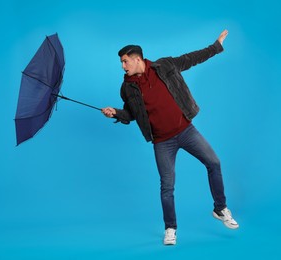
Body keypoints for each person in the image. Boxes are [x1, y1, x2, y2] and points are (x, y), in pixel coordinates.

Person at [102, 29, 239, 246]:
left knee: (214, 162)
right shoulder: (126, 88)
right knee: (167, 187)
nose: (123, 66)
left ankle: (220, 209)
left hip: (186, 131)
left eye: (125, 61)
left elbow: (191, 59)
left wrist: (216, 46)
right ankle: (170, 228)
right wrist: (116, 113)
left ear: (137, 59)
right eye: (121, 63)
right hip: (162, 141)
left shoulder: (163, 66)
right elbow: (131, 114)